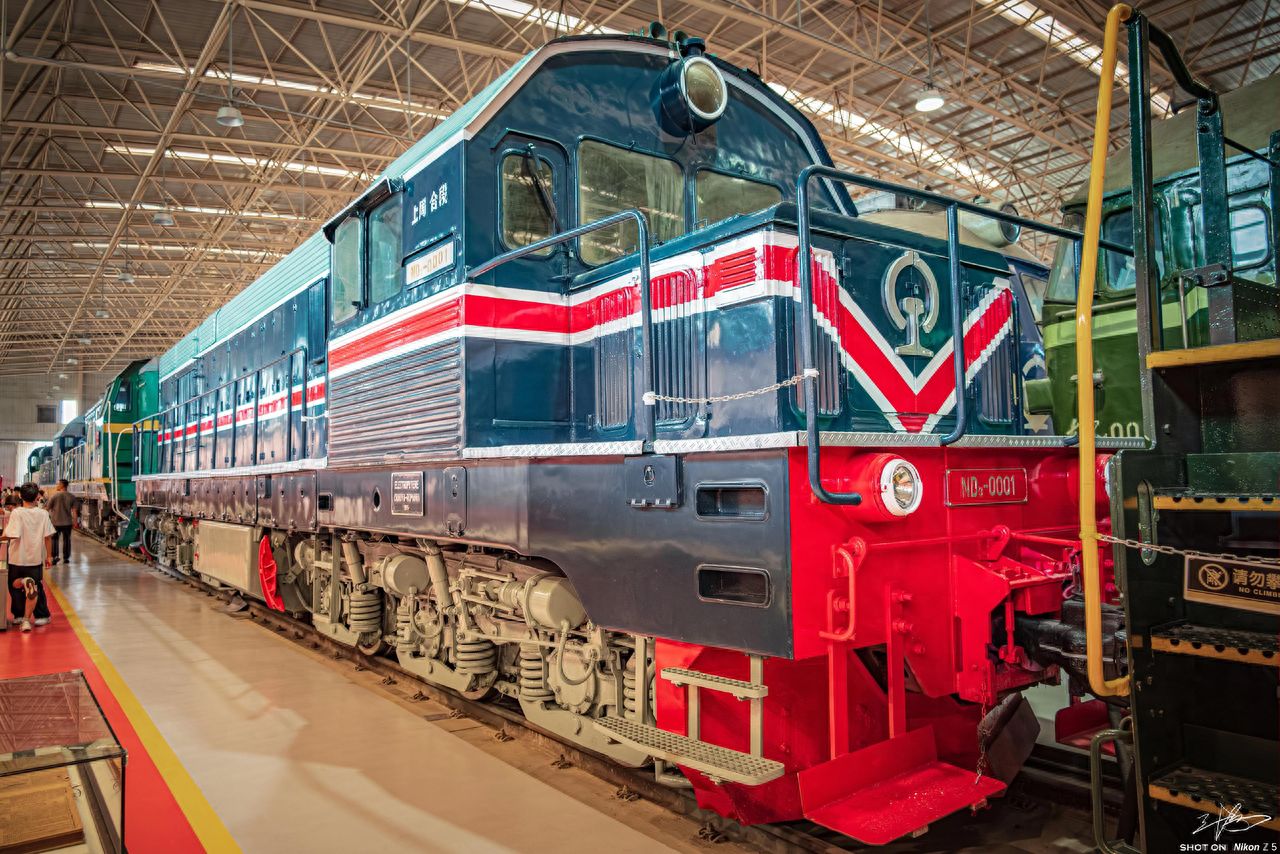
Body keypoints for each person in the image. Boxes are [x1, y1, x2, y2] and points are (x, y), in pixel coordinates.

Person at [2, 483, 54, 632]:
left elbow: (12, 534)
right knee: (36, 587)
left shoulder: (17, 513)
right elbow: (48, 537)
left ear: (20, 496)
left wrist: (2, 536)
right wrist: (49, 556)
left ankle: (19, 616)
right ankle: (41, 616)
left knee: (15, 587)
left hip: (16, 558)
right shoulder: (43, 514)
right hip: (34, 558)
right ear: (37, 496)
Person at [46, 479, 77, 565]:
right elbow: (74, 511)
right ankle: (66, 558)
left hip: (55, 522)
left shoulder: (54, 496)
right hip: (67, 523)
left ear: (62, 485)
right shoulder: (72, 497)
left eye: (58, 484)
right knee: (67, 540)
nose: (57, 485)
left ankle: (55, 557)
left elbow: (47, 508)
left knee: (54, 540)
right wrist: (75, 522)